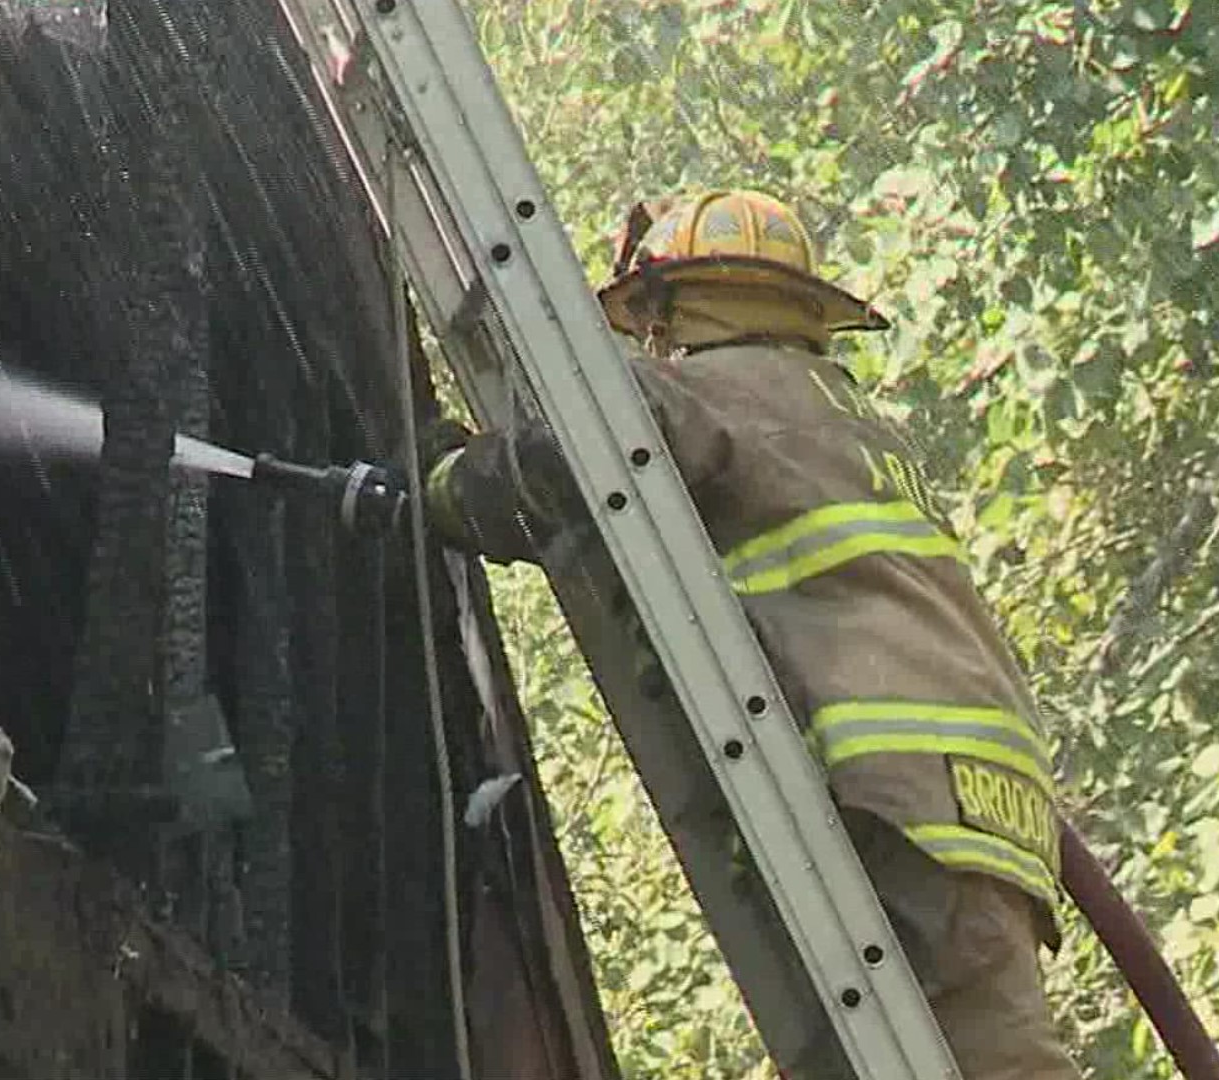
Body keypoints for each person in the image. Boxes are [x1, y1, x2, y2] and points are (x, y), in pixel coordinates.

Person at [418, 189, 1079, 1080]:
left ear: (679, 306)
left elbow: (571, 461)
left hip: (881, 799)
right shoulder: (852, 427)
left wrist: (441, 485)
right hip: (992, 818)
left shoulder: (716, 391)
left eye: (652, 322)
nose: (648, 344)